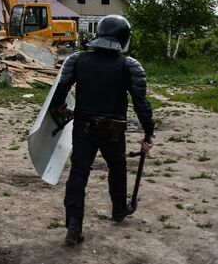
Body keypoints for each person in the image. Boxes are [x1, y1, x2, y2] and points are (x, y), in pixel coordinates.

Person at [49, 15, 155, 245]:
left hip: (84, 127)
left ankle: (74, 226)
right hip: (113, 130)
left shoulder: (77, 60)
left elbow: (59, 93)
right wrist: (148, 133)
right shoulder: (129, 66)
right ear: (123, 38)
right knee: (117, 168)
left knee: (79, 173)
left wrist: (61, 108)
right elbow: (141, 103)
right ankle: (119, 210)